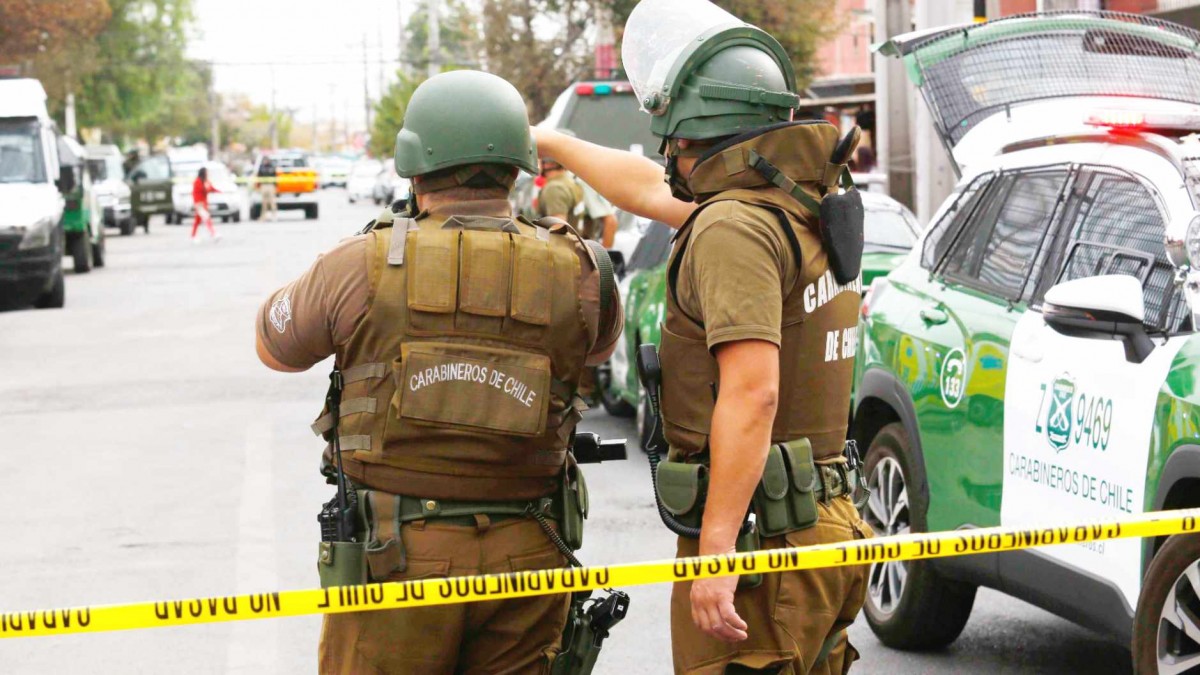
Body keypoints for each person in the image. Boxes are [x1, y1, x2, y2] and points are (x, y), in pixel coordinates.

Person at [533, 0, 873, 672]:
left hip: (759, 541)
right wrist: (552, 142)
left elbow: (752, 394)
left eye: (675, 140)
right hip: (817, 522)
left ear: (698, 132)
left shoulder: (732, 228)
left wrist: (717, 554)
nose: (668, 155)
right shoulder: (795, 203)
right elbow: (649, 189)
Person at [254, 70, 622, 674]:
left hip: (395, 558)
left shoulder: (360, 264)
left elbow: (277, 347)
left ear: (413, 166)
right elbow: (599, 350)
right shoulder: (581, 270)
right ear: (518, 167)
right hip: (529, 552)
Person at [191, 166, 219, 242]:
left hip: (204, 203)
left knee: (197, 220)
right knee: (206, 218)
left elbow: (211, 188)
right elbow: (203, 190)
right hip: (199, 204)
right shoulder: (198, 181)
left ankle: (193, 235)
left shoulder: (206, 181)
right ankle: (213, 233)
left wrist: (218, 191)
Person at [257, 157, 279, 221]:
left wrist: (275, 186)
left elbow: (275, 176)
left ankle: (274, 216)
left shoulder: (272, 167)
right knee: (264, 202)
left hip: (270, 185)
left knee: (272, 201)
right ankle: (263, 217)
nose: (265, 161)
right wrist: (259, 185)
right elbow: (259, 176)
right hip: (263, 185)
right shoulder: (261, 167)